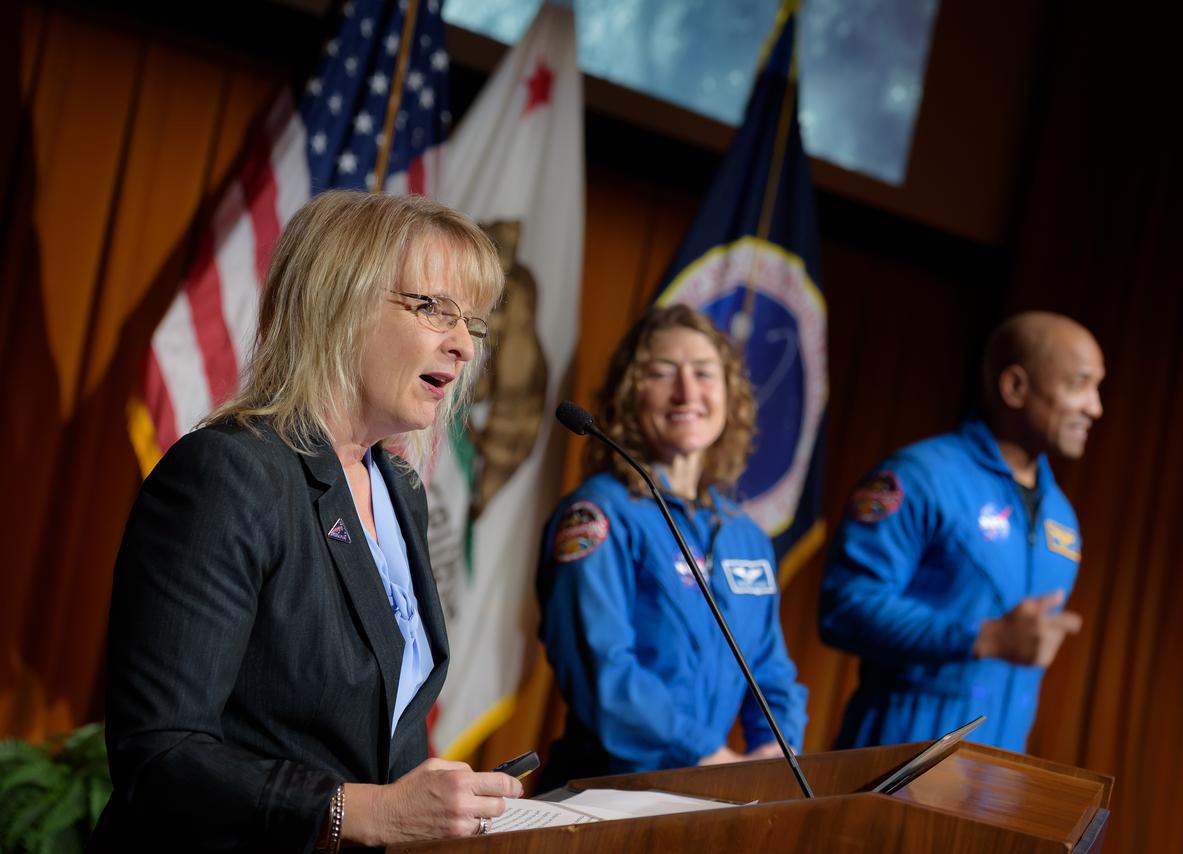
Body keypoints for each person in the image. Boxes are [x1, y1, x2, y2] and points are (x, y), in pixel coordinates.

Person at [92, 191, 523, 852]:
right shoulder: (230, 475)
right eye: (434, 308)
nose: (463, 345)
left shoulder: (399, 490)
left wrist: (441, 809)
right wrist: (357, 812)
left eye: (473, 322)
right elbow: (160, 752)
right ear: (338, 303)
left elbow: (379, 733)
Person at [535, 304, 808, 790]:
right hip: (607, 794)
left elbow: (770, 670)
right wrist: (706, 753)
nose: (688, 392)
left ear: (730, 394)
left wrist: (774, 753)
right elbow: (607, 677)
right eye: (663, 373)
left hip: (706, 795)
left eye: (704, 373)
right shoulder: (599, 515)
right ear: (628, 393)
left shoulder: (745, 534)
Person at [819, 311, 1103, 752]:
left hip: (995, 775)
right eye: (1079, 384)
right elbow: (844, 608)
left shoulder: (1061, 517)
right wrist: (983, 637)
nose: (1094, 406)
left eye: (1096, 387)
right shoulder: (918, 477)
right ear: (1015, 387)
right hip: (894, 756)